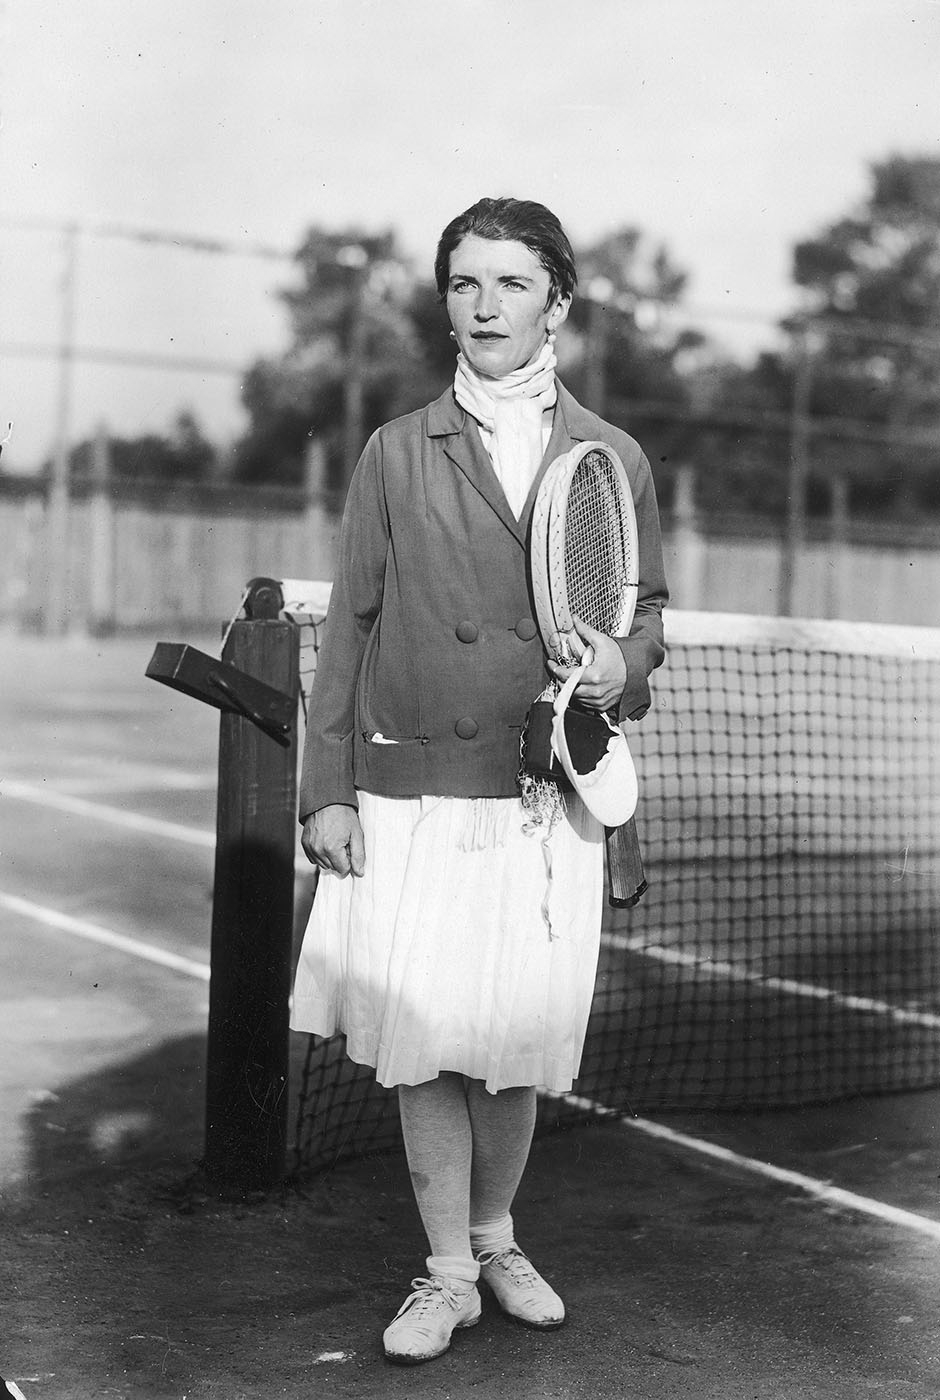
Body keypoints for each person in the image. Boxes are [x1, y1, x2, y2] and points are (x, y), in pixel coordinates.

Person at [290, 196, 668, 1365]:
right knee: (428, 1037)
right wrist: (328, 788)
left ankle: (495, 1238)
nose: (484, 305)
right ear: (445, 299)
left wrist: (617, 661)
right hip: (415, 794)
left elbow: (643, 624)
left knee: (512, 1037)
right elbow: (348, 629)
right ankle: (445, 1268)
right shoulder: (396, 450)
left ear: (556, 298)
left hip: (544, 793)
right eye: (463, 282)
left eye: (510, 282)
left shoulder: (612, 458)